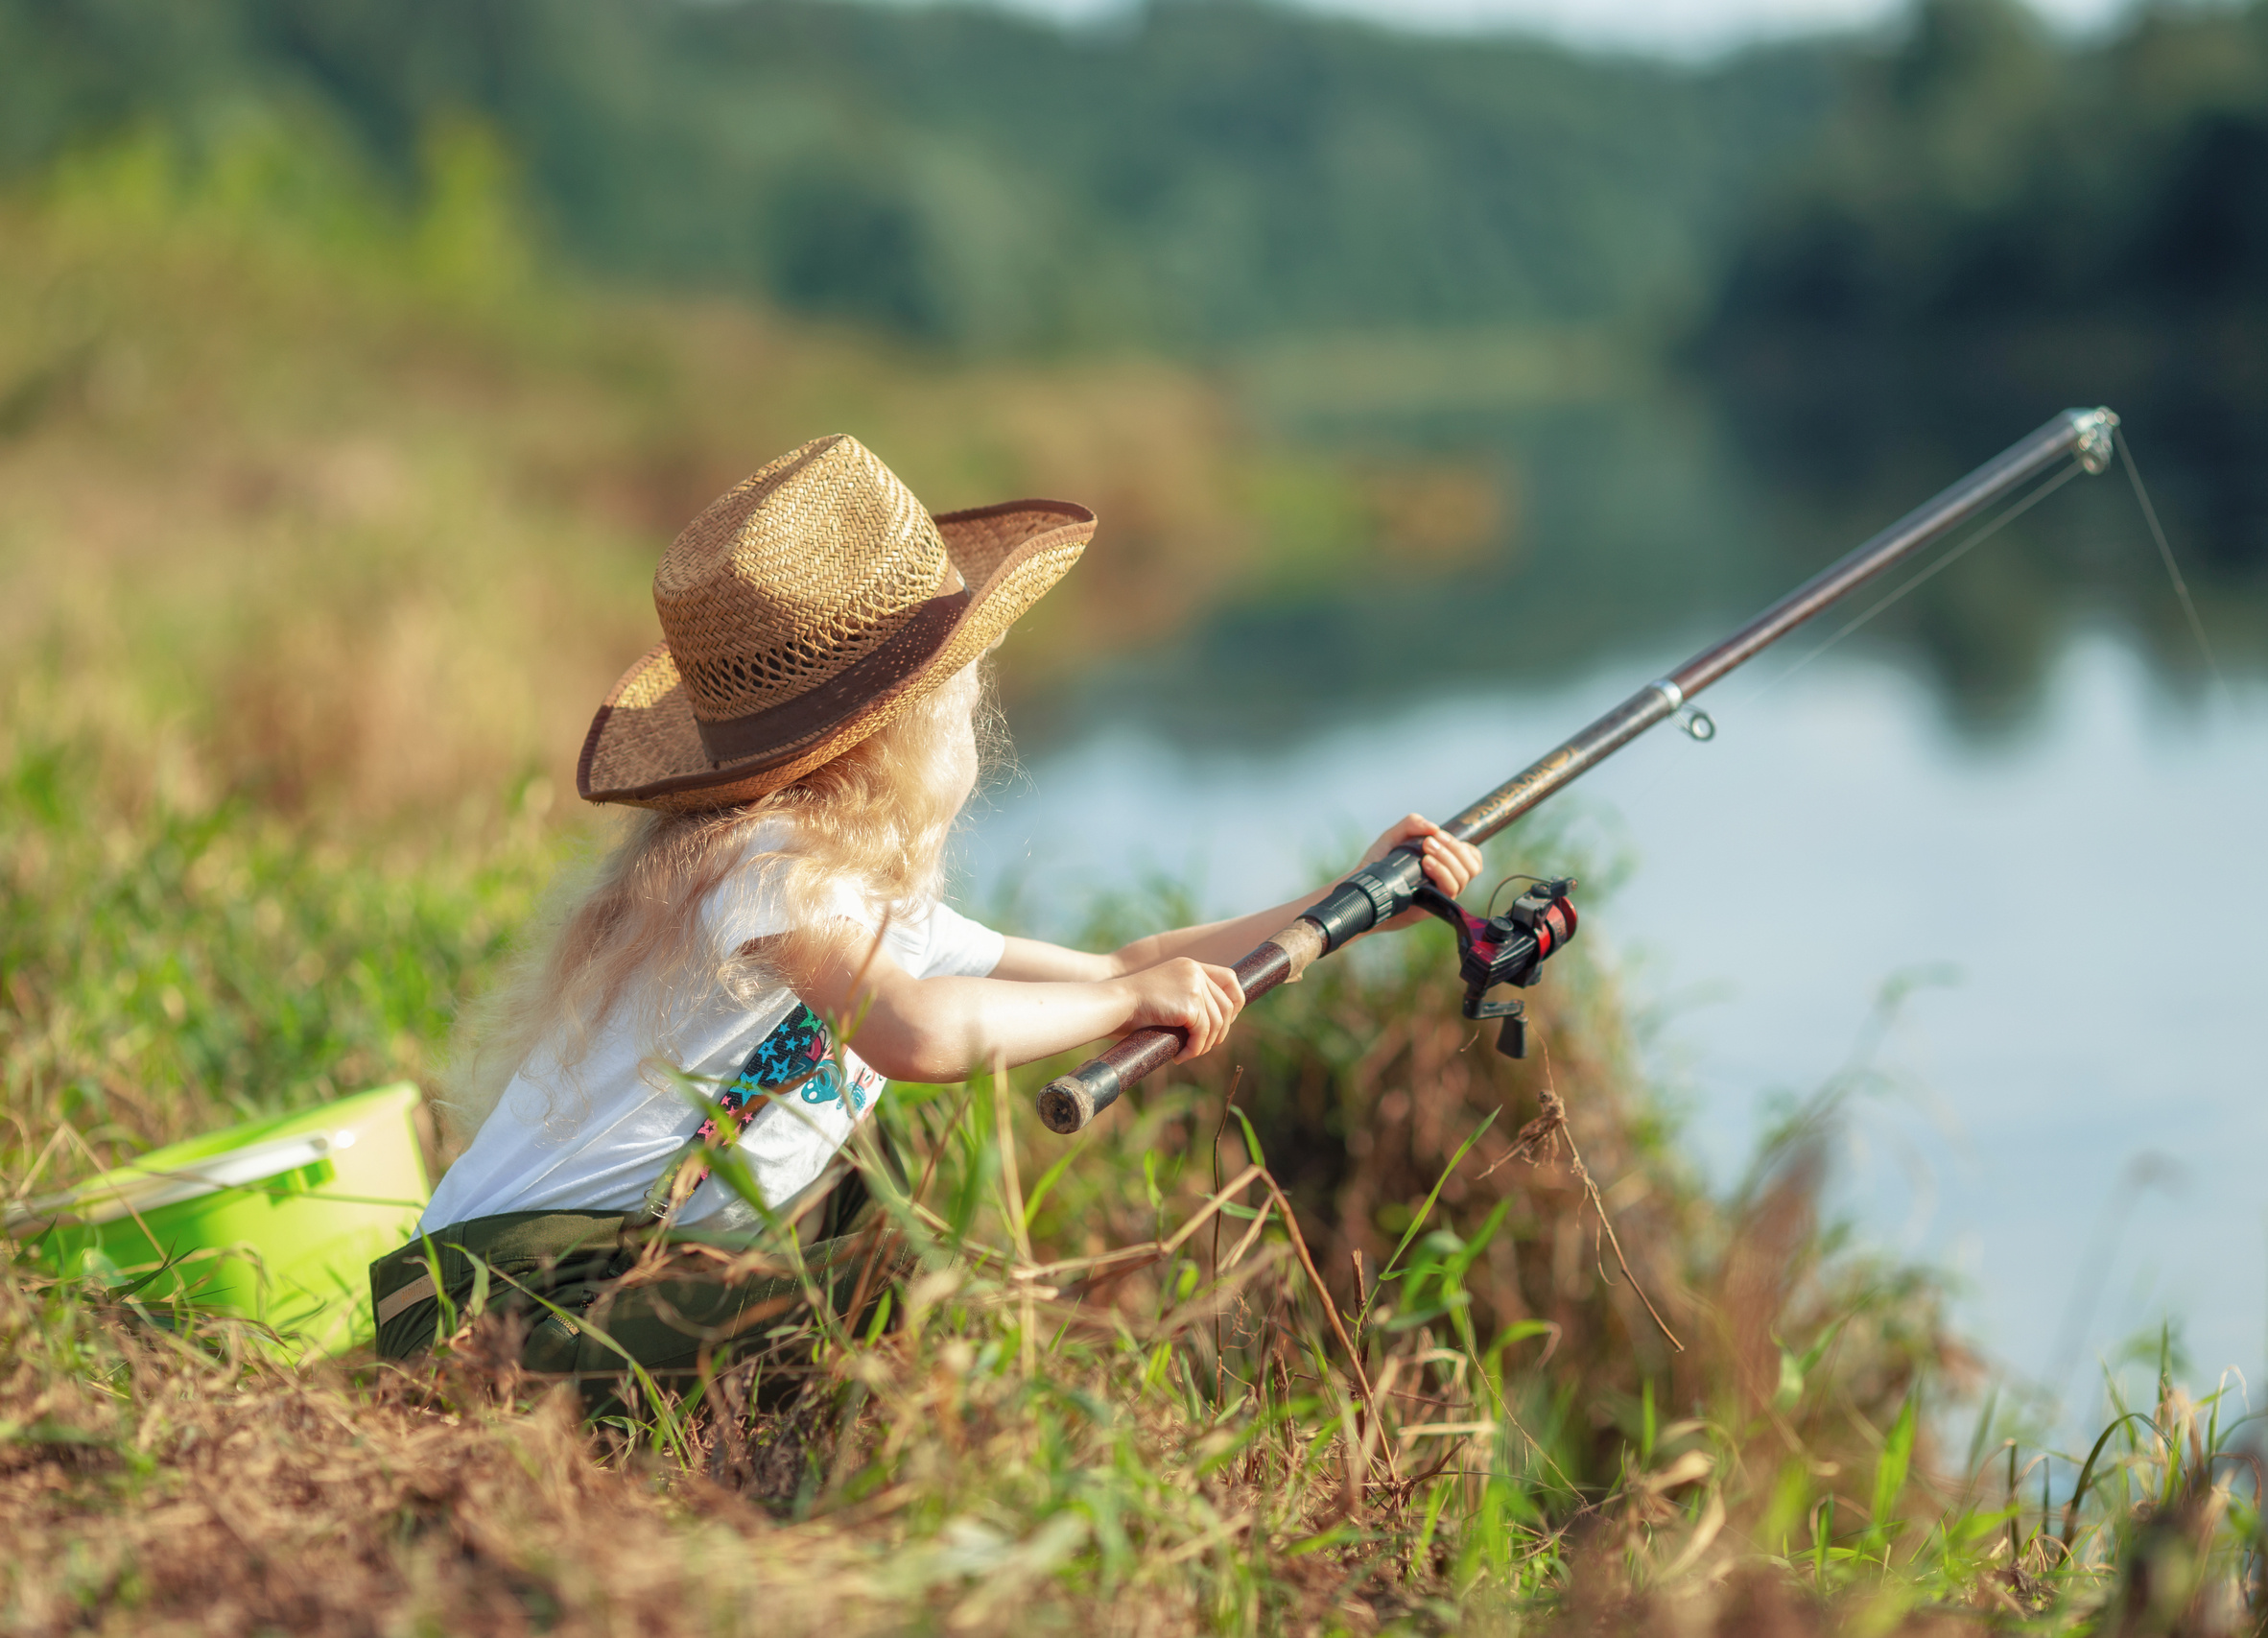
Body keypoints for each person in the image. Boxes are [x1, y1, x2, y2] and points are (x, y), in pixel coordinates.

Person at [369, 434, 1481, 1399]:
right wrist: (1128, 1001)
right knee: (888, 1286)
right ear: (894, 729)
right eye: (963, 684)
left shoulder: (867, 902)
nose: (978, 704)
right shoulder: (758, 866)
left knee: (860, 1225)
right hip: (495, 1302)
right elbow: (914, 1034)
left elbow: (1124, 957)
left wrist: (1352, 899)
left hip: (622, 1272)